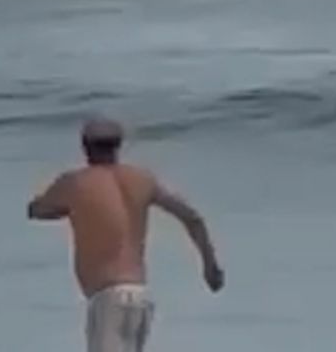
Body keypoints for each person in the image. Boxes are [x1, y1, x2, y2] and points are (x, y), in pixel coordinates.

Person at [26, 115, 226, 352]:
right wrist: (210, 266)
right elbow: (192, 218)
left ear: (84, 146)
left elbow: (36, 210)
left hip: (107, 297)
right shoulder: (142, 179)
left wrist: (68, 208)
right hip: (139, 295)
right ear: (119, 145)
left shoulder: (76, 183)